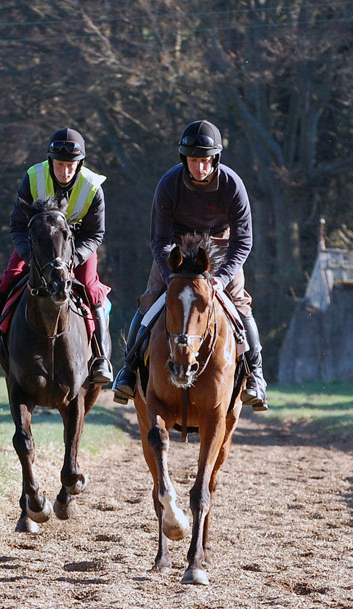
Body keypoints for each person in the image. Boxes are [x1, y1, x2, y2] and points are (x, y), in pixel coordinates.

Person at [111, 119, 268, 410]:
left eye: (205, 161)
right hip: (177, 249)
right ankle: (129, 370)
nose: (199, 167)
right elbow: (159, 240)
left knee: (240, 306)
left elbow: (243, 242)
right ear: (185, 160)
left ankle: (256, 375)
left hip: (221, 249)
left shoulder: (233, 185)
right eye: (194, 161)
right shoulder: (169, 184)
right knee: (150, 301)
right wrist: (170, 275)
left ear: (215, 159)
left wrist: (222, 278)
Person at [0, 128, 113, 384]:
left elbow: (95, 234)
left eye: (70, 166)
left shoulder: (92, 187)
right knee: (8, 279)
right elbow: (17, 225)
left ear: (80, 164)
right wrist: (30, 256)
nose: (65, 171)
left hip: (76, 248)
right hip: (37, 247)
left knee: (91, 288)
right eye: (59, 165)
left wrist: (72, 260)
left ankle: (101, 359)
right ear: (50, 161)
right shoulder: (33, 178)